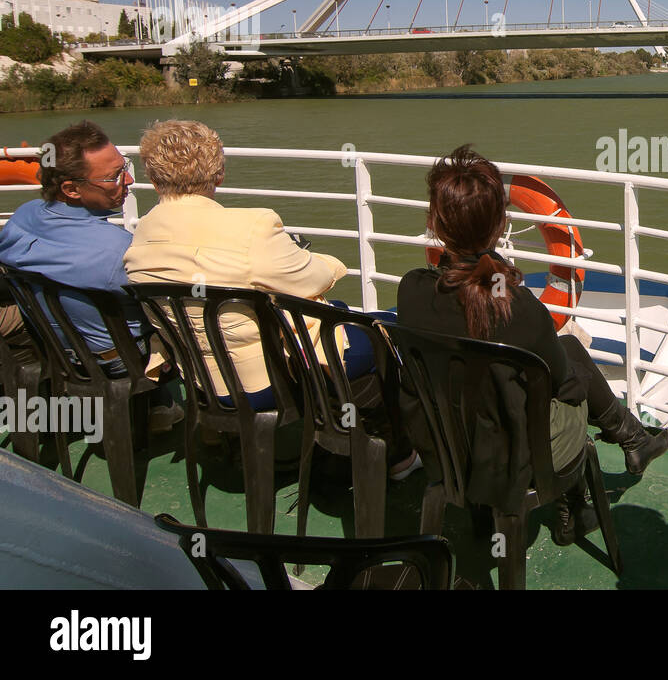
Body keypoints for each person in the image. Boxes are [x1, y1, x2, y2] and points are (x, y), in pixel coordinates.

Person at [397, 145, 668, 544]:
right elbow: (567, 389)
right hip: (512, 459)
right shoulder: (520, 309)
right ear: (499, 226)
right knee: (572, 373)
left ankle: (631, 440)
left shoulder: (410, 291)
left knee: (564, 358)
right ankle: (599, 477)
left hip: (446, 449)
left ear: (434, 225)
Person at [123, 119, 417, 478]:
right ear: (219, 174)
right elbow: (312, 278)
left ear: (153, 180)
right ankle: (394, 454)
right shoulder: (253, 228)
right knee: (381, 330)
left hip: (201, 383)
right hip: (262, 386)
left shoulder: (139, 240)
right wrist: (320, 260)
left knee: (343, 322)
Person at [0, 120, 181, 432]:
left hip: (53, 345)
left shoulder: (22, 218)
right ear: (71, 189)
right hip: (114, 361)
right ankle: (173, 414)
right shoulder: (119, 251)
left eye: (123, 167)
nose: (128, 180)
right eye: (113, 177)